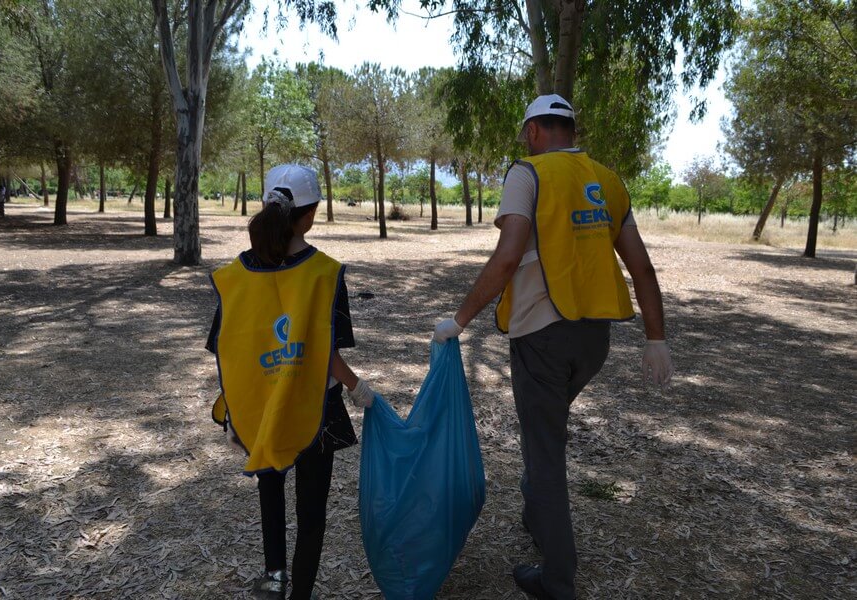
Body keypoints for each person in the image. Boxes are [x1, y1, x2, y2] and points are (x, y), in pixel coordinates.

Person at [432, 94, 674, 600]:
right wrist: (656, 338)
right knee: (546, 432)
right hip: (594, 341)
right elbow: (642, 267)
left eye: (526, 135)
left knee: (545, 455)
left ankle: (556, 579)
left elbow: (506, 257)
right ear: (570, 128)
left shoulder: (528, 173)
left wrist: (458, 320)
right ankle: (536, 514)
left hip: (542, 337)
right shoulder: (606, 179)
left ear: (536, 132)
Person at [206, 164, 376, 600]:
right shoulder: (324, 272)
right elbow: (327, 356)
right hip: (316, 411)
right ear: (311, 213)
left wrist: (233, 412)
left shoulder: (235, 276)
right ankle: (301, 592)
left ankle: (275, 577)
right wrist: (360, 391)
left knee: (271, 494)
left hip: (260, 406)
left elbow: (230, 350)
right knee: (312, 510)